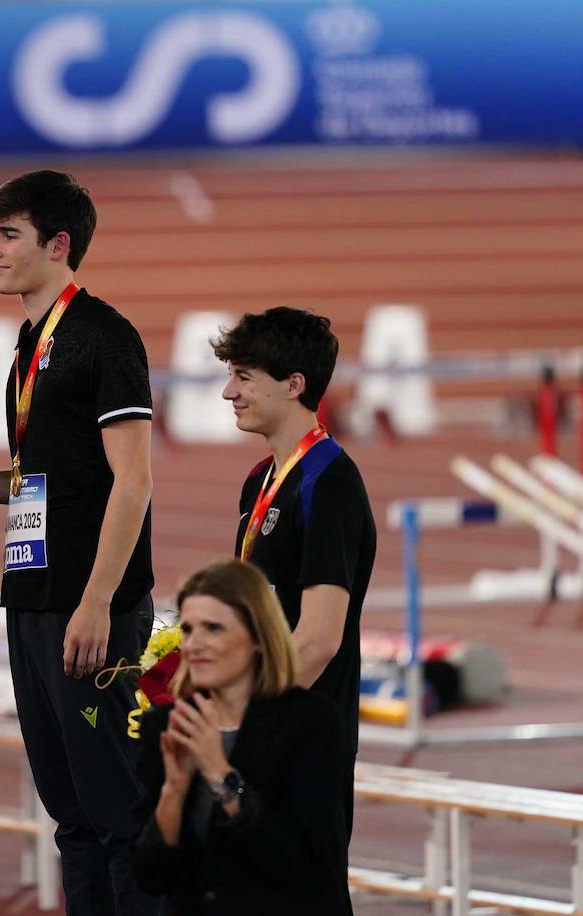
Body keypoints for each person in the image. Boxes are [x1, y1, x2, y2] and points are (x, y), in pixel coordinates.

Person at [0, 170, 157, 915]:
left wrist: (97, 602)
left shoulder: (103, 338)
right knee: (72, 816)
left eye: (7, 235)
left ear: (58, 244)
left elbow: (132, 480)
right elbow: (45, 476)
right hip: (32, 602)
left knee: (119, 814)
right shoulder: (30, 344)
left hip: (88, 611)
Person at [213, 307, 376, 838]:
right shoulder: (259, 480)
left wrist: (241, 722)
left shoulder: (330, 482)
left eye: (243, 377)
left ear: (293, 385)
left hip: (301, 740)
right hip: (261, 730)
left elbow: (319, 639)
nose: (228, 392)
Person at [131, 560, 353, 915]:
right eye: (188, 629)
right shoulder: (168, 724)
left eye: (213, 629)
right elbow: (150, 876)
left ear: (258, 638)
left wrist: (220, 774)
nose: (195, 645)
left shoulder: (310, 723)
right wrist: (173, 789)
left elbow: (303, 865)